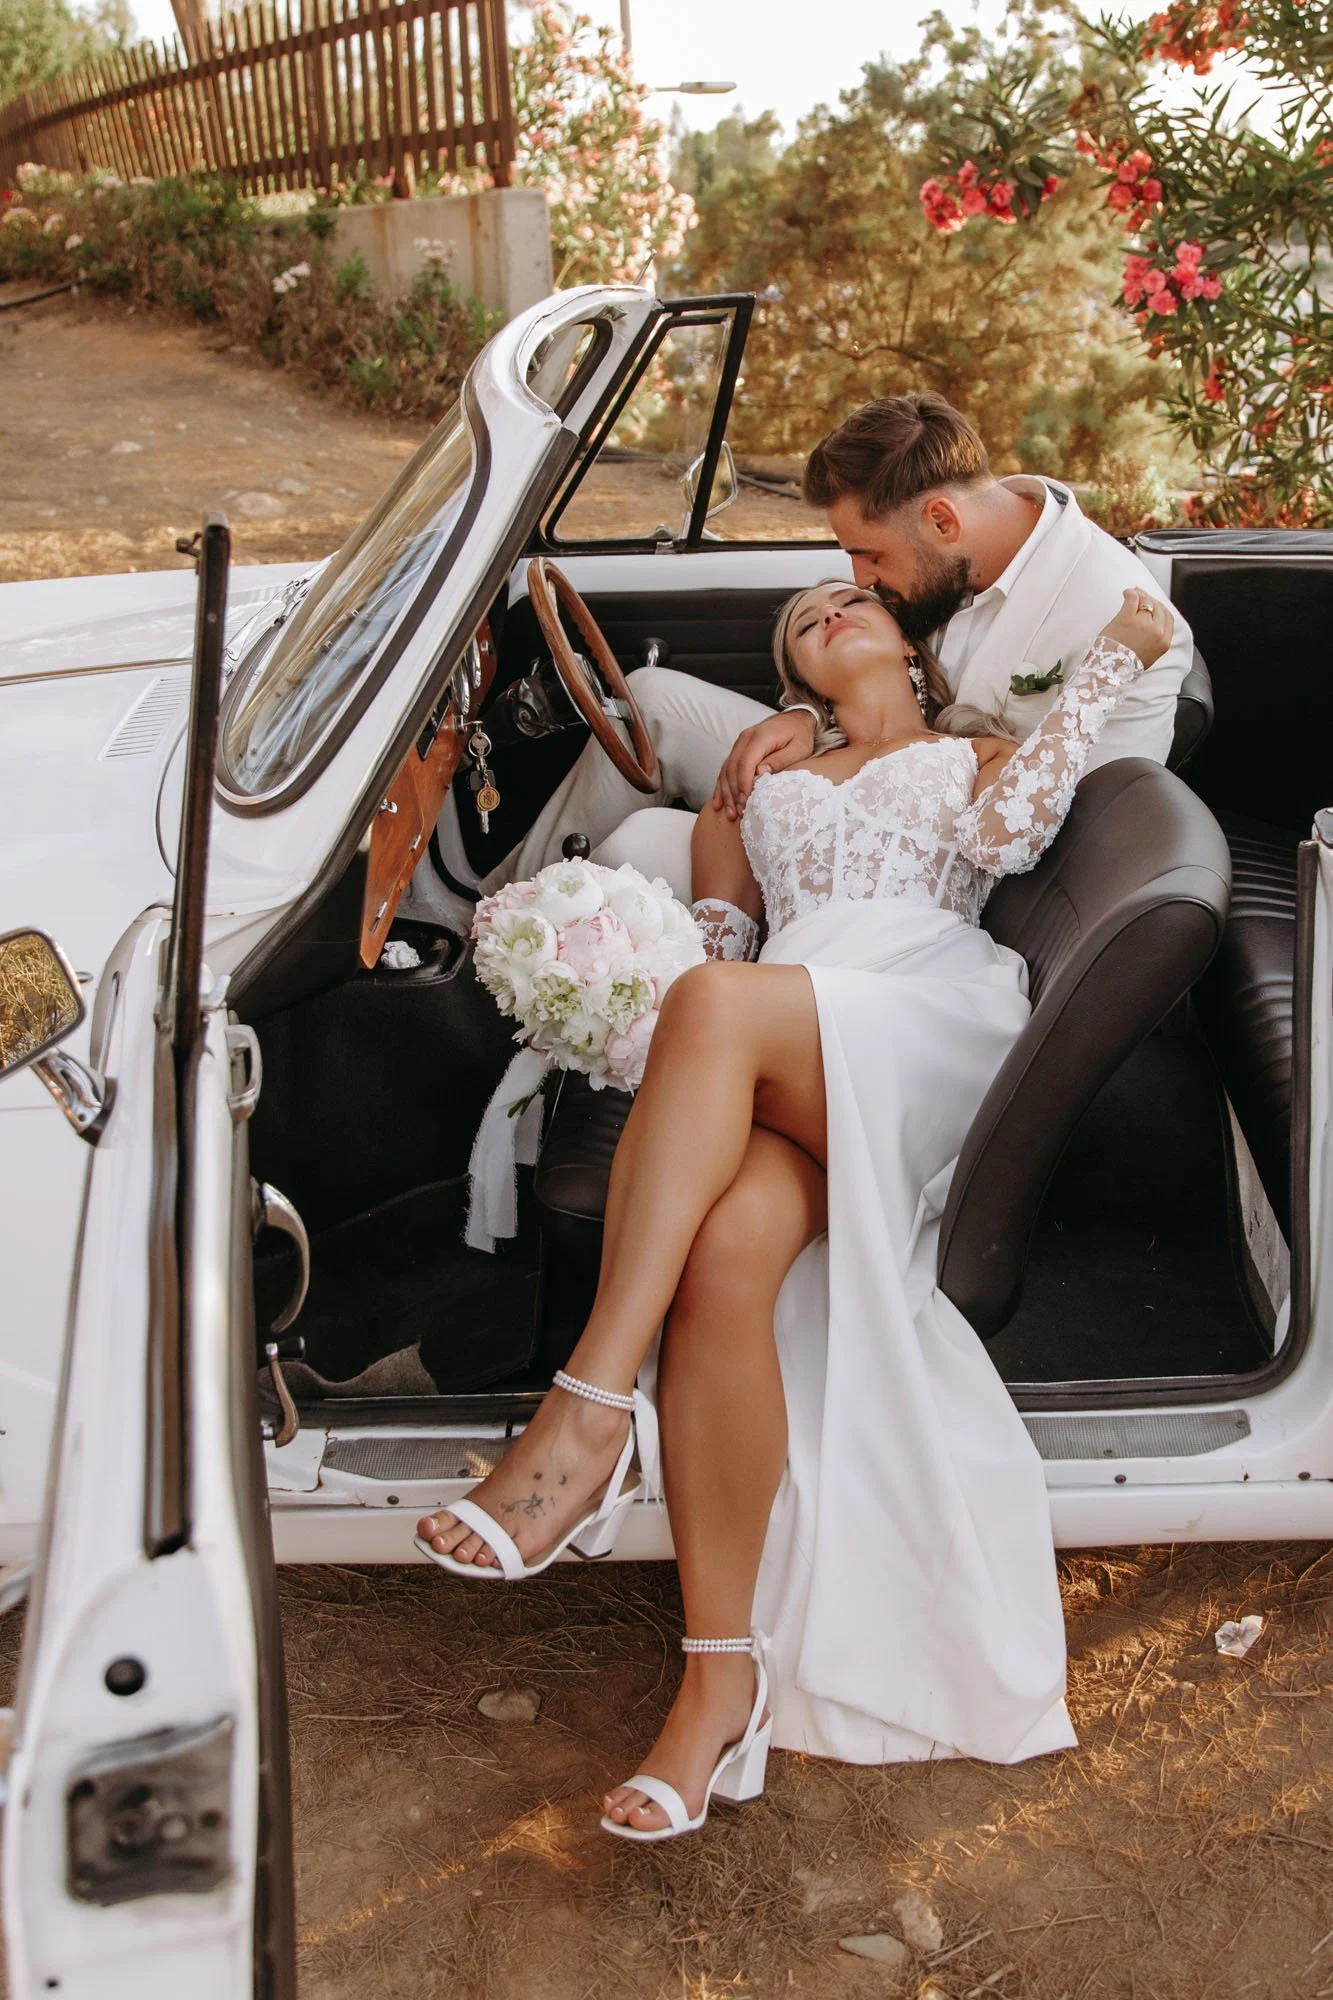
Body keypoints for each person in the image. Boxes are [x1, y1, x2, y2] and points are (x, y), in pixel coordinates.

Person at [416, 572, 1174, 1841]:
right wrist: (604, 991)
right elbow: (714, 948)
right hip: (786, 1041)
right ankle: (720, 1684)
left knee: (720, 1014)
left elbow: (1010, 835)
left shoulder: (978, 749)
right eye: (801, 615)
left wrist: (1111, 651)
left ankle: (589, 1408)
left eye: (851, 598)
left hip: (925, 1020)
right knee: (724, 1250)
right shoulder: (750, 787)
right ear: (785, 680)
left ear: (912, 651)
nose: (828, 606)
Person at [481, 390, 1192, 904]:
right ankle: (495, 905)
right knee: (656, 697)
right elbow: (886, 669)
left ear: (941, 521)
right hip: (864, 757)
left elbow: (1081, 823)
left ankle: (537, 927)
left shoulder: (1117, 617)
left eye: (869, 556)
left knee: (643, 843)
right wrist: (808, 715)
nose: (860, 581)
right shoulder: (972, 528)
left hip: (946, 844)